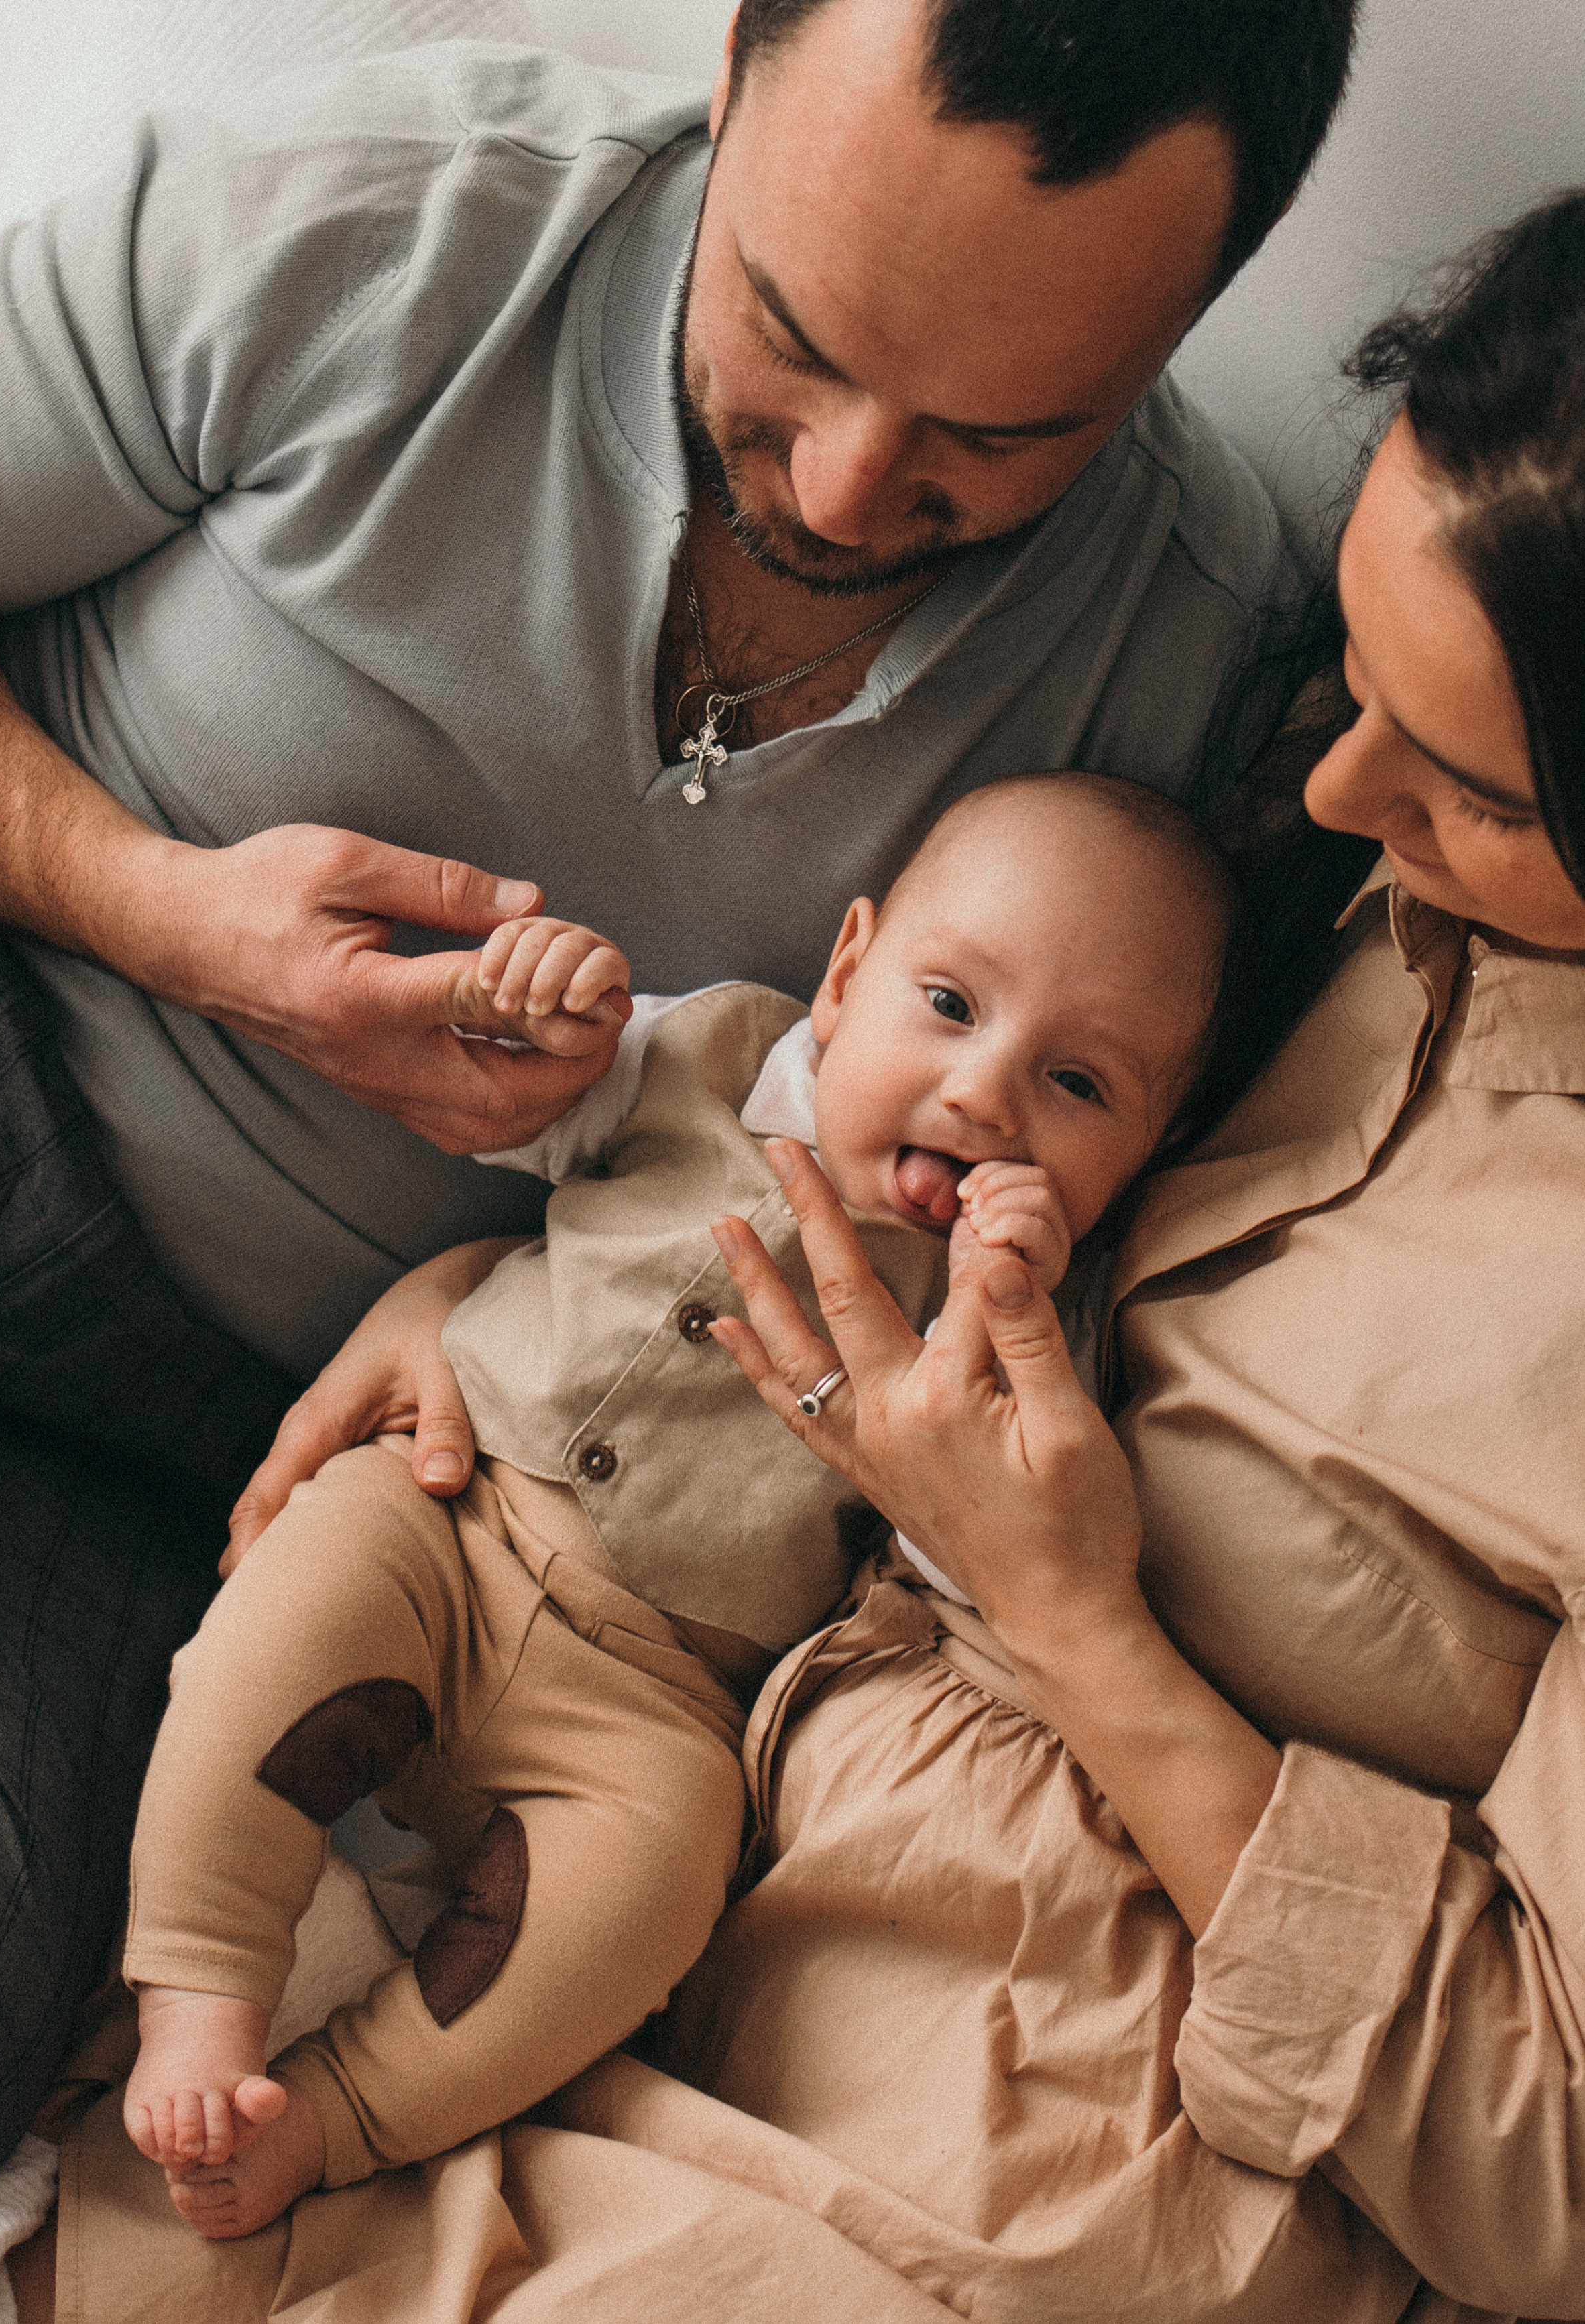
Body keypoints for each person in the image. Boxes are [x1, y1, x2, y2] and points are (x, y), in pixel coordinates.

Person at [0, 0, 1360, 2206]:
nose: (849, 485)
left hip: (241, 1445)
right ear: (734, 72)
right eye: (795, 329)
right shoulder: (355, 229)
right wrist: (161, 905)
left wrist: (479, 1286)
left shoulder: (1197, 672)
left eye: (996, 431)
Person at [673, 188, 1585, 2315]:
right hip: (731, 1819)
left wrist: (1067, 1615)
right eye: (1351, 677)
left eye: (1462, 791)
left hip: (1064, 2131)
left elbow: (1546, 2168)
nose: (1338, 789)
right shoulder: (1327, 817)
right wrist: (472, 1313)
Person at [115, 772, 1234, 2239]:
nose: (987, 1096)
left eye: (1079, 1088)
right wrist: (544, 1001)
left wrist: (999, 1327)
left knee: (652, 1893)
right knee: (277, 1636)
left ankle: (335, 2117)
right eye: (951, 1005)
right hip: (452, 1512)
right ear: (846, 975)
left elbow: (986, 1566)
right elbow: (490, 1088)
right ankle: (200, 1991)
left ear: (1141, 1155)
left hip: (656, 1696)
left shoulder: (1035, 1334)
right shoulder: (709, 1060)